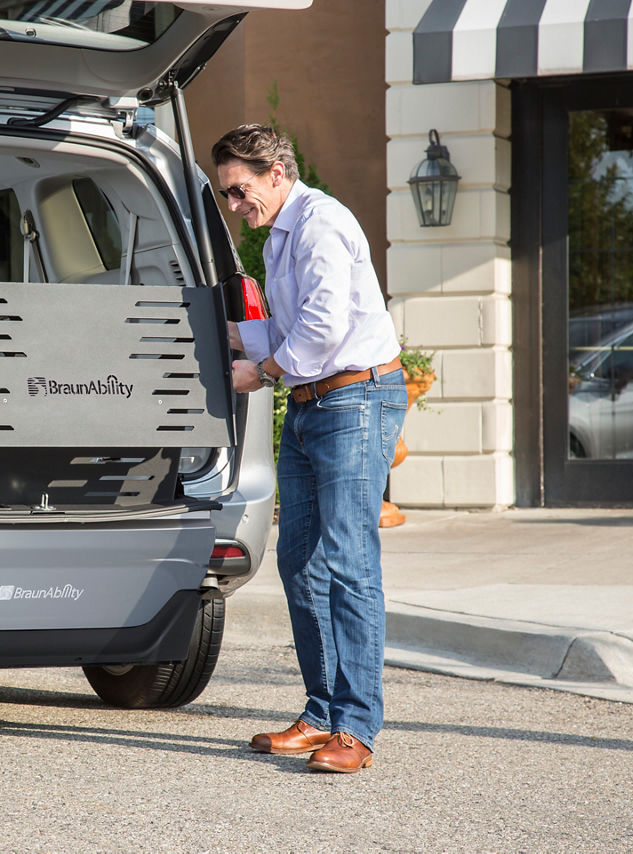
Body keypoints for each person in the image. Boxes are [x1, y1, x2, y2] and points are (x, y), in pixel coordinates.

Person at [212, 124, 405, 773]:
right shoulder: (280, 236)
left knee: (349, 563)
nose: (234, 205)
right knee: (299, 561)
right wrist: (231, 334)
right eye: (227, 194)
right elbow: (290, 326)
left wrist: (262, 372)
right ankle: (322, 713)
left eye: (239, 190)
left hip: (355, 400)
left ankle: (356, 727)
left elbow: (323, 328)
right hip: (310, 403)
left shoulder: (321, 224)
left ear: (275, 173)